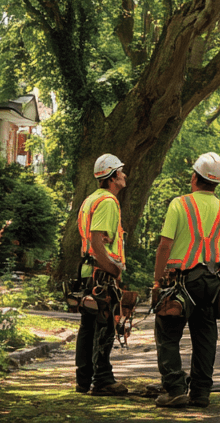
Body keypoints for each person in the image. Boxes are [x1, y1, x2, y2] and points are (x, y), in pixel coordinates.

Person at [152, 152, 220, 409]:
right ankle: (201, 392)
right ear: (217, 182)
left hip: (180, 283)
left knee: (168, 335)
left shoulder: (179, 205)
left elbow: (164, 246)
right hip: (211, 285)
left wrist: (158, 282)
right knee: (205, 337)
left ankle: (175, 388)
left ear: (194, 178)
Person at [74, 153, 128, 396]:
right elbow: (97, 241)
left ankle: (83, 379)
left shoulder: (90, 199)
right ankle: (103, 380)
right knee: (104, 325)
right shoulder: (107, 201)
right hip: (101, 274)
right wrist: (114, 270)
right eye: (121, 172)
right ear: (113, 176)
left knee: (88, 326)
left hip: (88, 272)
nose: (125, 175)